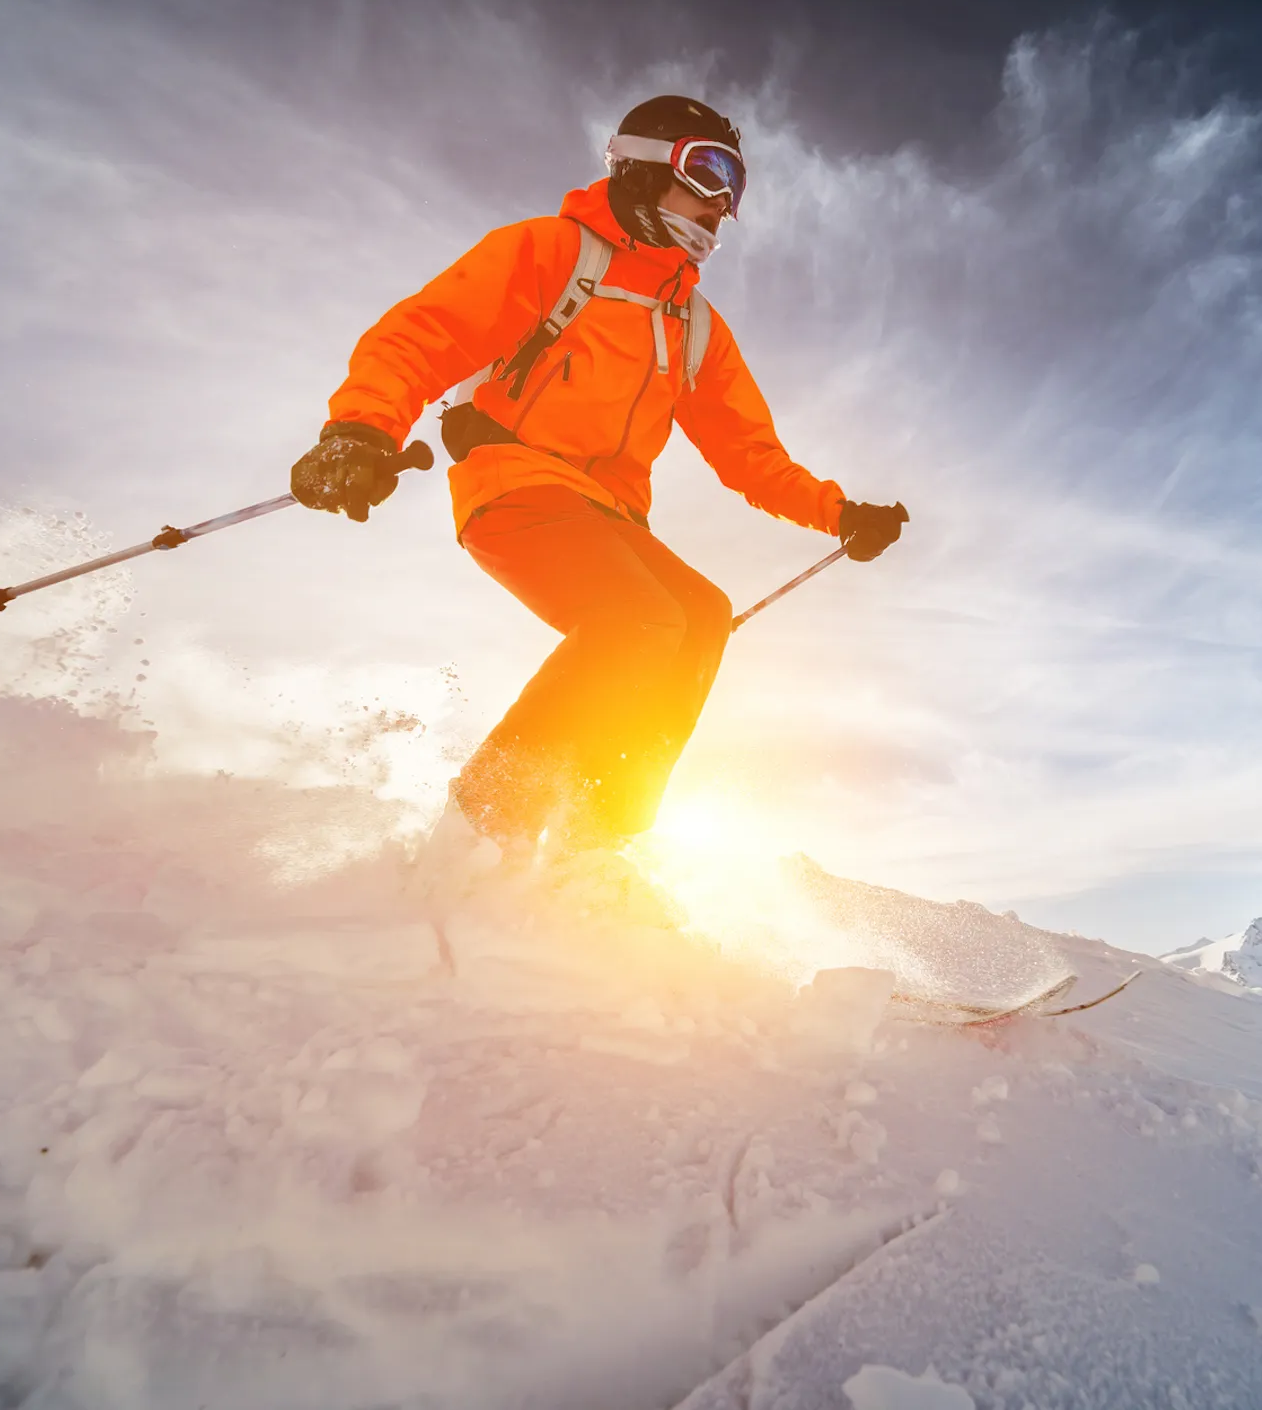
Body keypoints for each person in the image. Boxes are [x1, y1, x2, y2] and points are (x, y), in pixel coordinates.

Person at [291, 95, 907, 857]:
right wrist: (362, 429)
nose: (721, 204)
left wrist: (839, 513)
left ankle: (595, 847)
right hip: (513, 485)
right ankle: (481, 832)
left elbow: (749, 453)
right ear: (644, 167)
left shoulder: (693, 325)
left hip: (609, 513)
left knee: (700, 616)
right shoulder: (552, 253)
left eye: (735, 186)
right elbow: (424, 334)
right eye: (707, 171)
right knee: (637, 619)